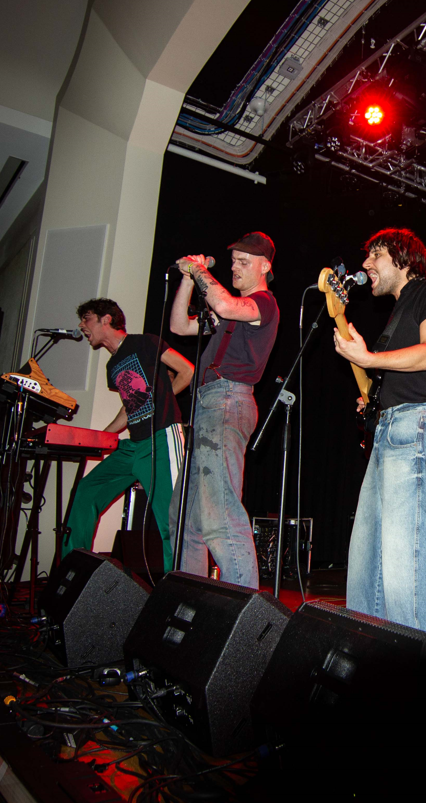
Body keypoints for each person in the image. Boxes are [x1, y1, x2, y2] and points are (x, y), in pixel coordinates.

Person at [333, 228, 426, 636]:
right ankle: (370, 648)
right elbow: (392, 370)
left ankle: (425, 659)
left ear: (403, 258)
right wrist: (373, 397)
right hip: (391, 426)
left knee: (408, 555)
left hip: (417, 425)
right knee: (367, 556)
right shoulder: (399, 310)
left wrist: (370, 357)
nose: (366, 264)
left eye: (376, 255)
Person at [169, 233, 279, 587]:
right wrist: (188, 280)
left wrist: (199, 270)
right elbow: (178, 326)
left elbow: (226, 305)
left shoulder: (263, 303)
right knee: (184, 519)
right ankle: (187, 596)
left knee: (220, 514)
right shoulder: (230, 314)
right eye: (233, 261)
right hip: (208, 405)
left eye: (244, 262)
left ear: (265, 266)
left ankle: (244, 602)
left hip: (227, 401)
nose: (234, 267)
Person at [60, 299, 193, 565]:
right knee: (87, 490)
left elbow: (186, 370)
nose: (81, 325)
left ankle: (176, 582)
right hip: (133, 446)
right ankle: (73, 567)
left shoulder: (145, 342)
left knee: (171, 519)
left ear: (106, 319)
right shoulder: (113, 366)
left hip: (161, 439)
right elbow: (128, 408)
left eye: (86, 318)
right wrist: (100, 437)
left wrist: (160, 398)